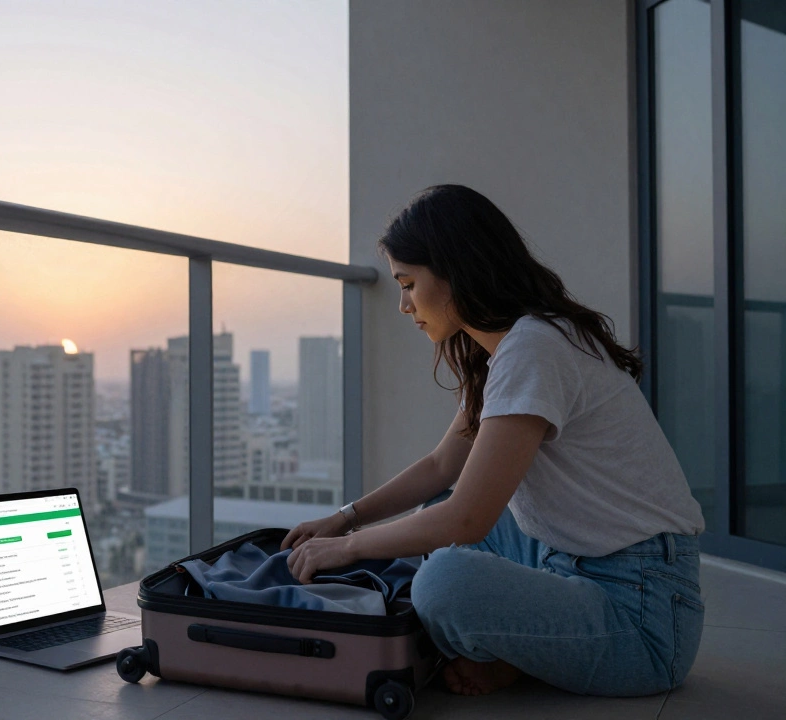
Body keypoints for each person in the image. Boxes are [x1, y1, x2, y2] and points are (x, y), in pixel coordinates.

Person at [281, 185, 705, 698]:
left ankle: (521, 653)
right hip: (571, 560)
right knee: (436, 513)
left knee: (443, 580)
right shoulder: (513, 347)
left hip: (644, 619)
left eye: (410, 282)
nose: (403, 304)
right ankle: (524, 652)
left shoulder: (533, 348)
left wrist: (347, 548)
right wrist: (347, 517)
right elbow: (442, 466)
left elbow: (468, 518)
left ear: (456, 271)